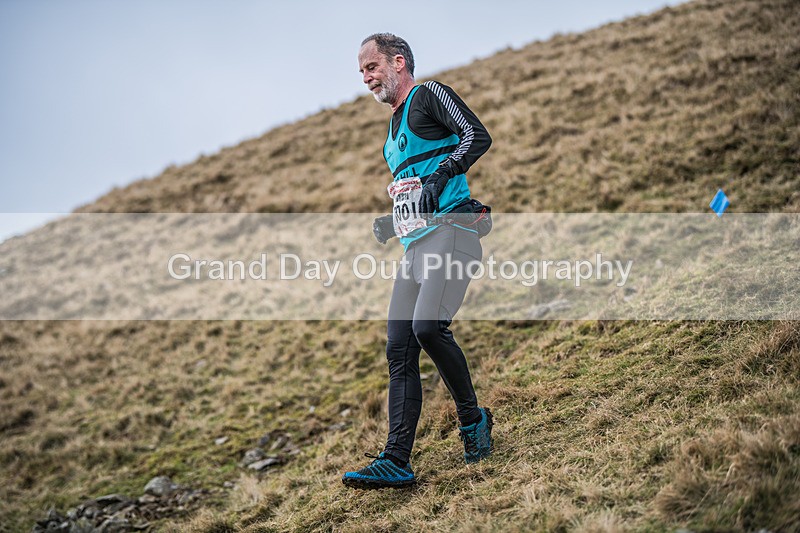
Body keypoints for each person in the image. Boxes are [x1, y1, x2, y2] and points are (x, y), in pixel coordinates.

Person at [342, 33, 494, 489]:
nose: (367, 78)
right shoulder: (390, 135)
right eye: (362, 72)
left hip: (454, 234)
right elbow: (414, 192)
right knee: (398, 346)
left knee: (428, 327)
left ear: (398, 62)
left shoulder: (430, 95)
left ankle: (474, 422)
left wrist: (443, 175)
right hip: (418, 247)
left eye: (372, 67)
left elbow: (477, 137)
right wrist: (394, 223)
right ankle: (396, 459)